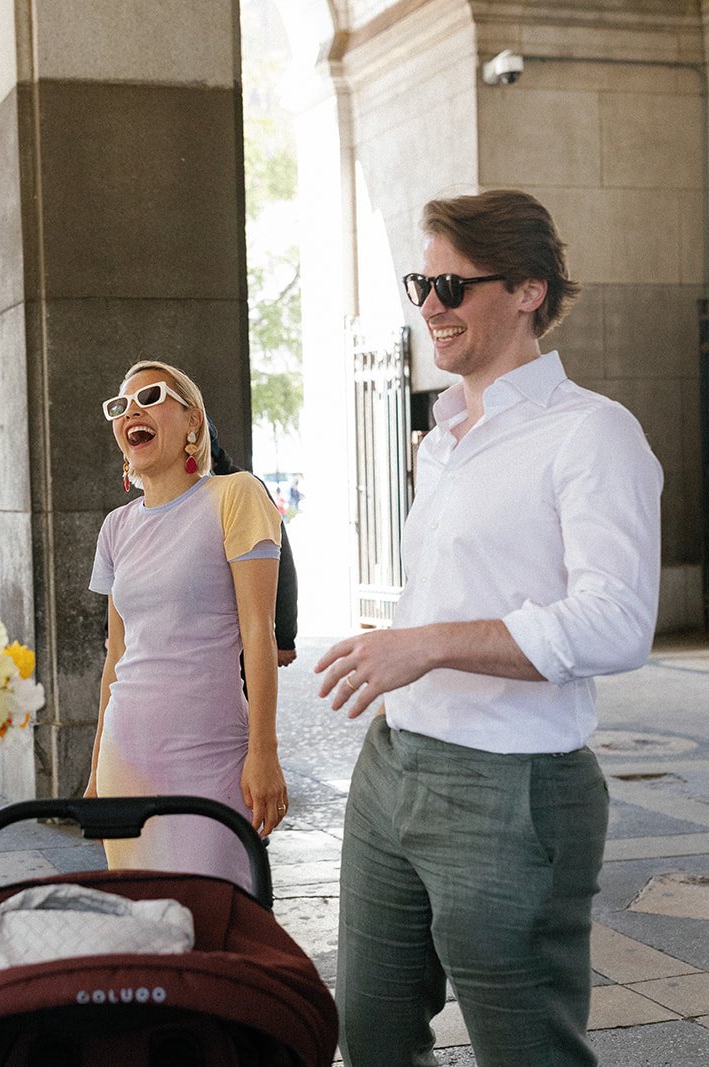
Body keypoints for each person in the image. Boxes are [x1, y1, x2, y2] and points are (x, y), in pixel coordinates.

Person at [315, 190, 662, 1066]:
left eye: (453, 286)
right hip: (394, 766)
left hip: (513, 792)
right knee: (372, 1036)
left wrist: (425, 644)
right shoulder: (441, 439)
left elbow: (618, 622)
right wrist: (406, 637)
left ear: (528, 290)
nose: (429, 305)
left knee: (526, 1050)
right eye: (421, 282)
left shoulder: (590, 433)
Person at [87, 359, 289, 887]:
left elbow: (258, 634)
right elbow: (116, 656)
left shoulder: (236, 496)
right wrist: (93, 773)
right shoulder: (115, 527)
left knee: (216, 919)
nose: (132, 410)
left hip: (211, 753)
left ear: (193, 421)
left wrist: (263, 753)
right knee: (145, 931)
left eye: (151, 396)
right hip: (124, 758)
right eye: (120, 405)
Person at [208, 422, 299, 667]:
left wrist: (284, 637)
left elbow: (282, 565)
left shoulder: (243, 488)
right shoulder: (167, 494)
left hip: (239, 638)